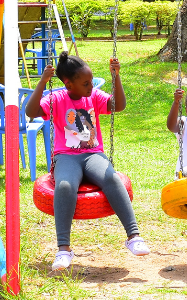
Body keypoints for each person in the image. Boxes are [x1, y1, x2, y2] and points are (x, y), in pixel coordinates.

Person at [24, 53, 149, 271]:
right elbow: (31, 111)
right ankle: (64, 249)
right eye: (86, 83)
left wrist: (116, 76)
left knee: (111, 178)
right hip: (66, 156)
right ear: (68, 84)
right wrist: (43, 82)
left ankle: (134, 236)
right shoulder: (57, 98)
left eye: (91, 81)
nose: (91, 86)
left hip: (93, 154)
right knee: (65, 186)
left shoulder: (94, 97)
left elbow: (118, 105)